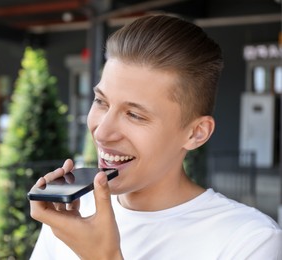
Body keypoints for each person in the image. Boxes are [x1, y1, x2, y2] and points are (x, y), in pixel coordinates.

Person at [29, 14, 282, 259]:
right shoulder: (72, 216)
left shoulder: (250, 240)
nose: (102, 133)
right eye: (101, 101)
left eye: (135, 115)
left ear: (196, 133)